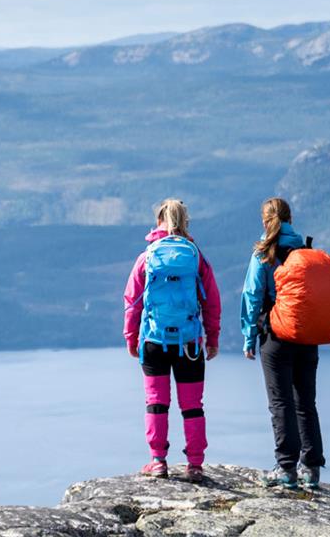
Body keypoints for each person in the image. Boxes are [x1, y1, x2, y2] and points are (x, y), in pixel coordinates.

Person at [122, 198, 222, 481]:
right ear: (186, 222)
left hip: (154, 341)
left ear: (158, 222)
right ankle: (194, 465)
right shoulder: (195, 256)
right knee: (192, 406)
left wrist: (132, 338)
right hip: (189, 343)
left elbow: (132, 302)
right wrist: (212, 338)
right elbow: (211, 301)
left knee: (156, 402)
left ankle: (158, 462)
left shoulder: (147, 257)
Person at [241, 197, 325, 489]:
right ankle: (311, 468)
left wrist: (249, 336)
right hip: (306, 335)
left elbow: (253, 295)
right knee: (306, 402)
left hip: (276, 336)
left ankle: (286, 468)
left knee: (281, 402)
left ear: (265, 222)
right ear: (291, 218)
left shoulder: (264, 252)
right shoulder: (304, 249)